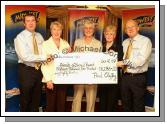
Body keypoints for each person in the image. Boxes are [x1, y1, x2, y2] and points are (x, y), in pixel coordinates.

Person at [116, 19, 152, 112]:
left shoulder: (145, 41)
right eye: (128, 27)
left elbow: (140, 61)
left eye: (132, 26)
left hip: (138, 78)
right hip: (124, 77)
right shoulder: (125, 42)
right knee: (125, 104)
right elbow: (120, 57)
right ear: (125, 30)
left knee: (138, 105)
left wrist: (123, 63)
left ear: (138, 28)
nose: (130, 29)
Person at [14, 14, 48, 112]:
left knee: (36, 99)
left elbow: (45, 51)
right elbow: (25, 56)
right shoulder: (20, 37)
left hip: (38, 70)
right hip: (26, 70)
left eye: (33, 20)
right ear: (24, 24)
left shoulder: (39, 36)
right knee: (25, 99)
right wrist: (43, 57)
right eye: (28, 21)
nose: (31, 23)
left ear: (35, 23)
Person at [71, 20, 102, 112]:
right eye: (86, 28)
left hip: (92, 76)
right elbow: (73, 59)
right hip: (79, 75)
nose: (88, 30)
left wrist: (94, 76)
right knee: (76, 99)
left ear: (93, 30)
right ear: (83, 30)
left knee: (91, 100)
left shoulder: (98, 43)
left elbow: (99, 61)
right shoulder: (77, 42)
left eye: (90, 28)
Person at [41, 21, 71, 112]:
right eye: (54, 29)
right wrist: (48, 80)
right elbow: (43, 63)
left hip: (63, 78)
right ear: (51, 31)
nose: (56, 32)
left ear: (61, 31)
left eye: (59, 29)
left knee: (61, 105)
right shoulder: (45, 44)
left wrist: (71, 54)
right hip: (51, 80)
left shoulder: (66, 43)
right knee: (51, 105)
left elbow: (69, 62)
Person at [99, 25, 123, 112]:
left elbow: (121, 63)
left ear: (114, 35)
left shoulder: (119, 47)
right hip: (102, 79)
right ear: (104, 35)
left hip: (113, 79)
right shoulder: (101, 47)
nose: (109, 36)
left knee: (111, 103)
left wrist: (114, 57)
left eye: (111, 34)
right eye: (107, 34)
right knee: (102, 102)